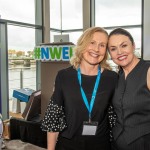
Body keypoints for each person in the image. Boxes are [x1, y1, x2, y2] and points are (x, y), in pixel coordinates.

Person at [41, 27, 118, 150]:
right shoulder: (64, 76)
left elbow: (117, 116)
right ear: (82, 44)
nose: (96, 49)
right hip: (68, 144)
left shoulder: (112, 78)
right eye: (92, 43)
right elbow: (53, 118)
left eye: (102, 45)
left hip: (101, 145)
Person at [108, 28, 150, 150]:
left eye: (124, 45)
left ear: (133, 46)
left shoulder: (147, 71)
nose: (119, 52)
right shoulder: (117, 76)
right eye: (113, 49)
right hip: (117, 143)